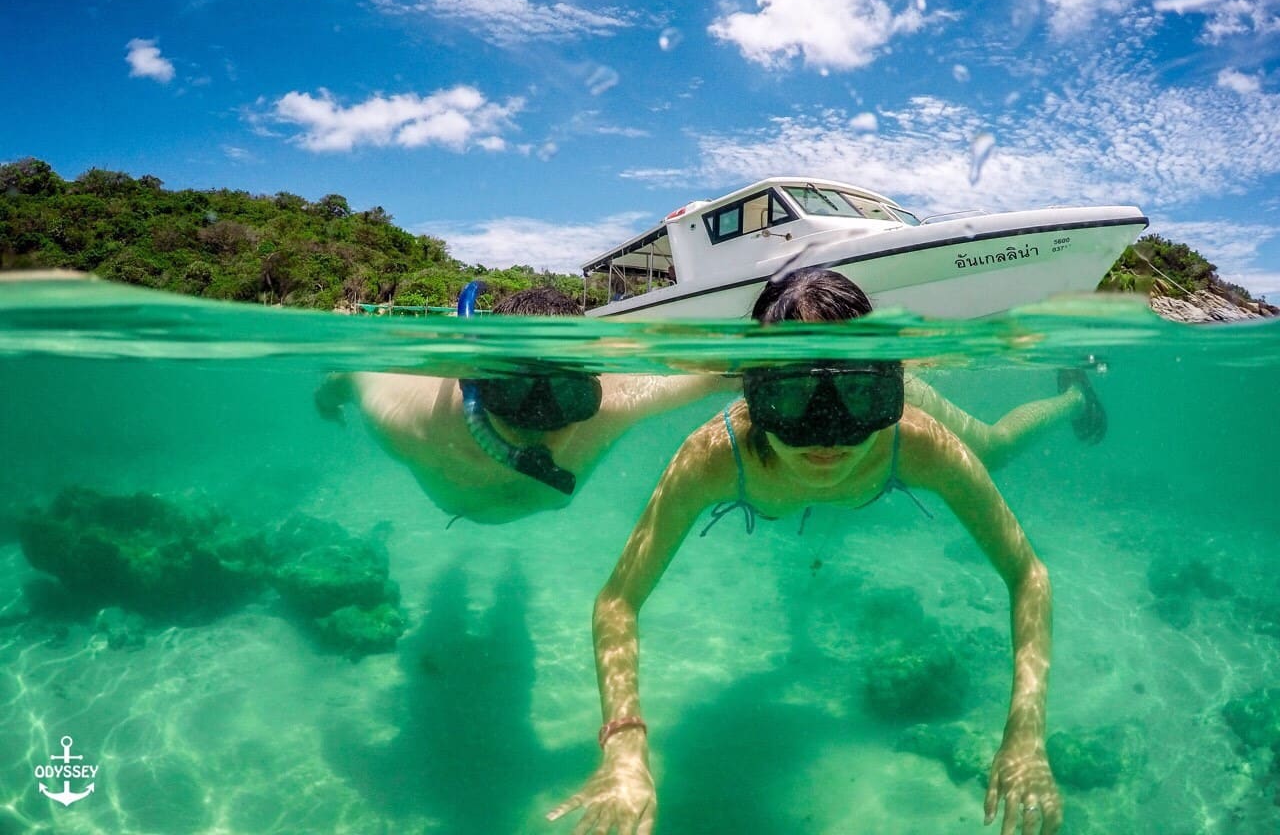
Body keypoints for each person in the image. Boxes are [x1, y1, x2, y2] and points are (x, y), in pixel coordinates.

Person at [548, 268, 1064, 835]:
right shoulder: (712, 457)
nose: (828, 438)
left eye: (859, 395)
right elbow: (619, 600)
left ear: (889, 391)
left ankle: (1070, 397)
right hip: (822, 465)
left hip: (885, 452)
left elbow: (1028, 572)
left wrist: (1025, 735)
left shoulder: (918, 442)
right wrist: (623, 750)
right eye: (792, 396)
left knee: (995, 446)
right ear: (755, 393)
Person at [314, 286, 734, 525]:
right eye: (513, 392)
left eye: (567, 397)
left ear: (594, 388)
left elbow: (725, 373)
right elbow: (351, 375)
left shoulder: (617, 404)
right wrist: (326, 399)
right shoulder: (409, 421)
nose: (538, 421)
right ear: (477, 381)